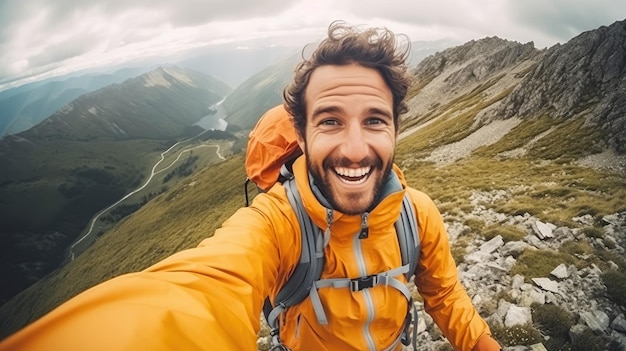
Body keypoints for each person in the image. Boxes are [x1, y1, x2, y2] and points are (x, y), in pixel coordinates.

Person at [0, 21, 501, 351]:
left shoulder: (419, 215)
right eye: (329, 121)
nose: (354, 148)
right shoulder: (276, 223)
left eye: (374, 120)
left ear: (395, 130)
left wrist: (482, 345)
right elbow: (201, 289)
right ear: (301, 136)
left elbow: (445, 294)